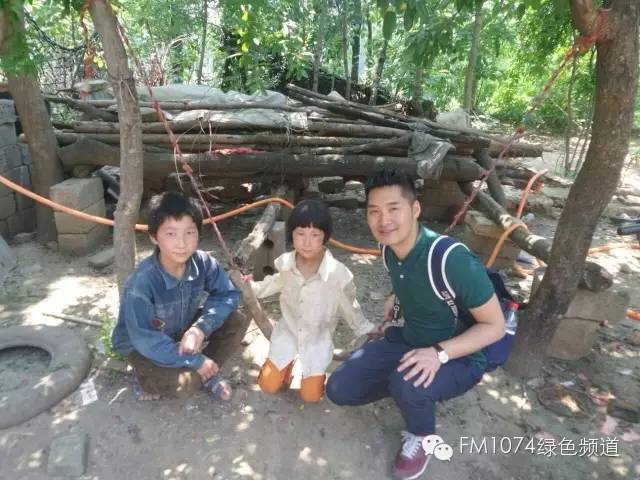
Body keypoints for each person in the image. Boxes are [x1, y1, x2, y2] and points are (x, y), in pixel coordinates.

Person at [326, 170, 505, 480]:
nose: (383, 220)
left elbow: (495, 327)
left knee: (406, 384)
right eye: (374, 211)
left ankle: (421, 434)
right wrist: (394, 297)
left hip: (460, 356)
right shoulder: (388, 249)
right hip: (409, 338)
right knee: (340, 389)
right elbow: (409, 279)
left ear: (415, 209)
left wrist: (438, 354)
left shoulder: (452, 260)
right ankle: (408, 389)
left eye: (394, 208)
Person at [111, 191, 250, 401]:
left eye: (189, 232)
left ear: (198, 233)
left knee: (236, 320)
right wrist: (195, 360)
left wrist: (200, 328)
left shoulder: (203, 262)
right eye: (171, 234)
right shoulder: (142, 283)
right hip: (143, 346)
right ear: (153, 237)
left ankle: (207, 371)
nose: (182, 243)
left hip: (180, 329)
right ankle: (143, 376)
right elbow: (146, 340)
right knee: (185, 386)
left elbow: (227, 294)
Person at [251, 199, 376, 403]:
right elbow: (273, 283)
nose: (307, 242)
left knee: (310, 396)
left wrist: (365, 328)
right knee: (268, 385)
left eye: (315, 235)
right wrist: (249, 288)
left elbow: (349, 306)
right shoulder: (287, 265)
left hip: (318, 338)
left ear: (325, 236)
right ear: (292, 234)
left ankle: (313, 378)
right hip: (289, 332)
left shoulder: (337, 275)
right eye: (300, 234)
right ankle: (286, 366)